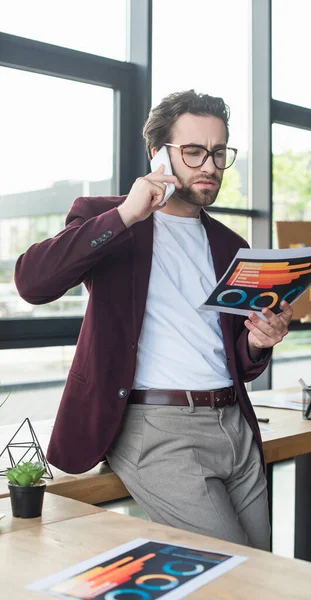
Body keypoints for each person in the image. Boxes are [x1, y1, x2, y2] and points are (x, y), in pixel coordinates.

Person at [14, 90, 293, 550]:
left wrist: (260, 342)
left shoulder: (230, 244)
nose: (210, 165)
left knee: (263, 567)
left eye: (219, 152)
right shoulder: (107, 217)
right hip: (157, 428)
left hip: (235, 424)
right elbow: (32, 283)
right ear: (159, 153)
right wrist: (126, 214)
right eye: (194, 151)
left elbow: (235, 356)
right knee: (231, 576)